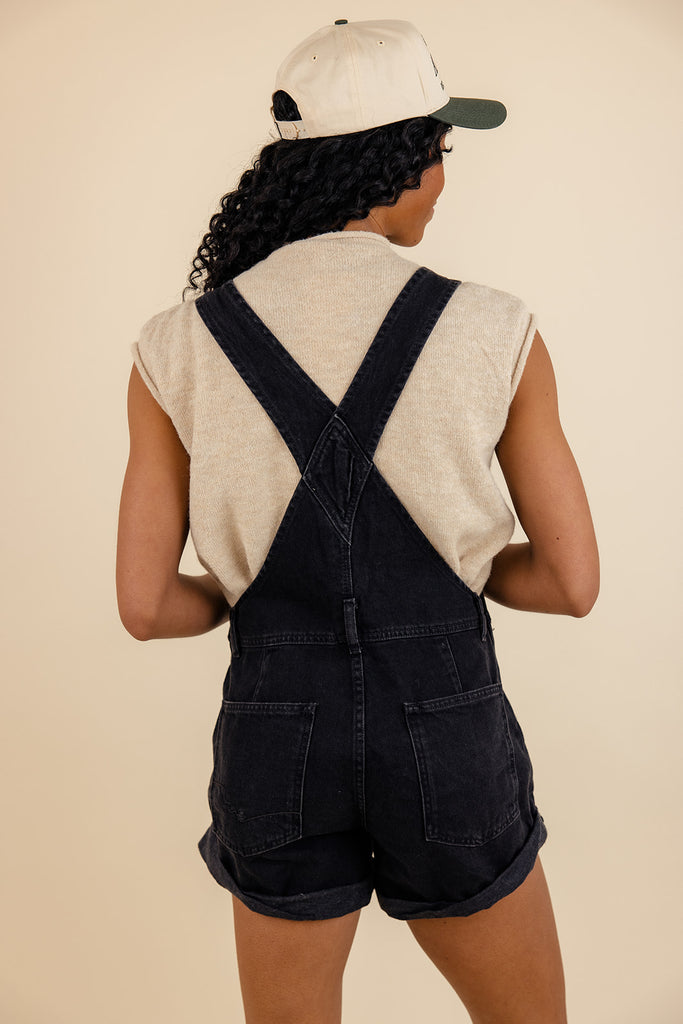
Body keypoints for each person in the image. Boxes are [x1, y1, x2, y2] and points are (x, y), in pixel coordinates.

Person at [116, 18, 599, 1024]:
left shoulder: (175, 347)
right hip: (444, 720)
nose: (442, 179)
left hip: (275, 731)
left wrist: (248, 592)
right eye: (441, 150)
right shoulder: (494, 328)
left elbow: (147, 607)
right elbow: (569, 582)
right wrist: (456, 565)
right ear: (400, 159)